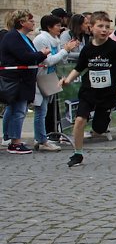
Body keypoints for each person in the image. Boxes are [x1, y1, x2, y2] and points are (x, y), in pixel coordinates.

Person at [60, 12, 116, 167]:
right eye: (100, 26)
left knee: (99, 129)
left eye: (107, 27)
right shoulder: (87, 49)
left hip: (108, 94)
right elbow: (79, 67)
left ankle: (104, 116)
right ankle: (77, 153)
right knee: (80, 120)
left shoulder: (114, 47)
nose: (104, 30)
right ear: (91, 28)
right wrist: (67, 80)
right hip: (89, 91)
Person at [0, 10, 50, 154]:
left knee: (16, 109)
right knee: (19, 111)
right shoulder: (13, 37)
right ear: (22, 22)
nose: (33, 23)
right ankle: (15, 142)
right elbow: (25, 57)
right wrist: (42, 54)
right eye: (30, 20)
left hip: (22, 80)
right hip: (16, 80)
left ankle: (12, 138)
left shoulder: (22, 37)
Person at [33, 14, 78, 151]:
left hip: (51, 76)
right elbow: (47, 61)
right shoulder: (41, 39)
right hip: (41, 77)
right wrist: (65, 50)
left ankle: (42, 138)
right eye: (57, 25)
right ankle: (41, 140)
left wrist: (66, 50)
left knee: (45, 110)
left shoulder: (55, 40)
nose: (60, 28)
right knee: (41, 110)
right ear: (49, 27)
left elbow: (61, 60)